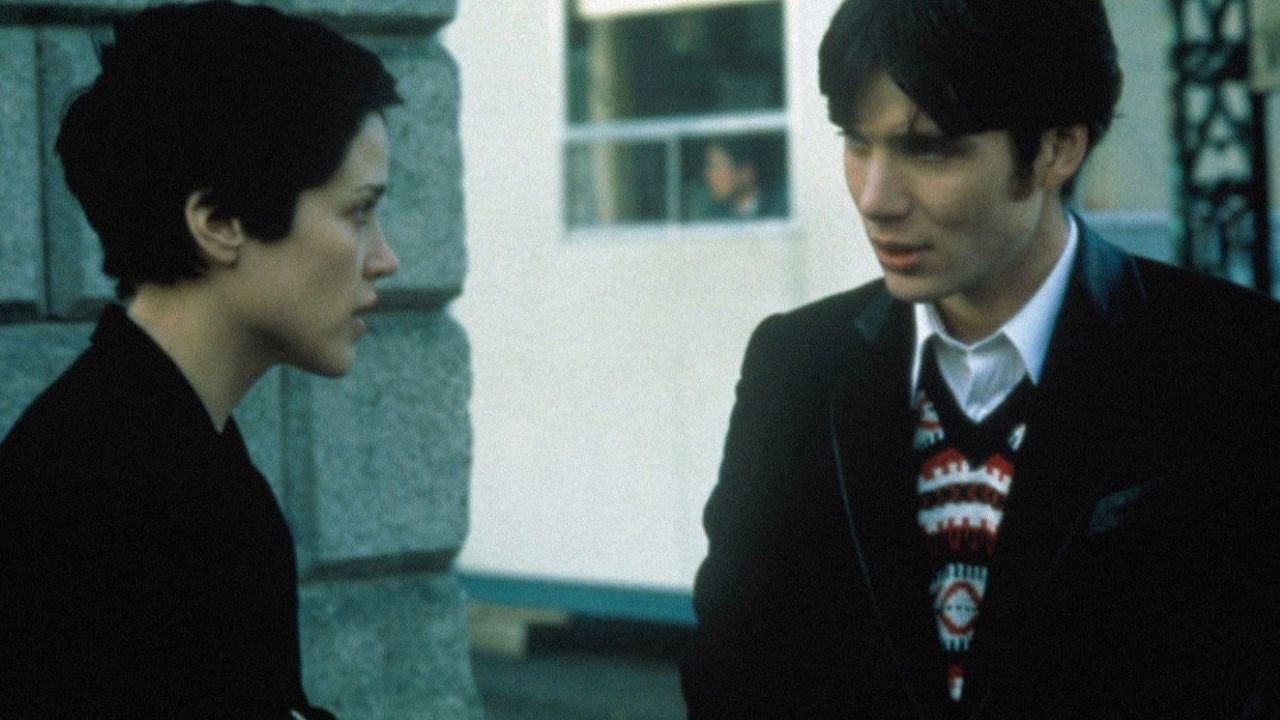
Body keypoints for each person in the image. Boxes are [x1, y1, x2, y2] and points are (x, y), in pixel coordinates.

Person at [680, 0, 1280, 718]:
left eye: (929, 149)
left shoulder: (1232, 359)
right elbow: (732, 664)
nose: (875, 198)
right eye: (857, 142)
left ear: (1057, 149)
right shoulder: (798, 365)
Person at [0, 3, 400, 717]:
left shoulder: (168, 458)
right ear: (218, 224)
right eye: (358, 211)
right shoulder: (103, 498)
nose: (385, 258)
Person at [697, 137, 788, 220]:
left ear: (746, 172)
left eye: (716, 166)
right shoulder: (713, 217)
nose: (707, 174)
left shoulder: (781, 211)